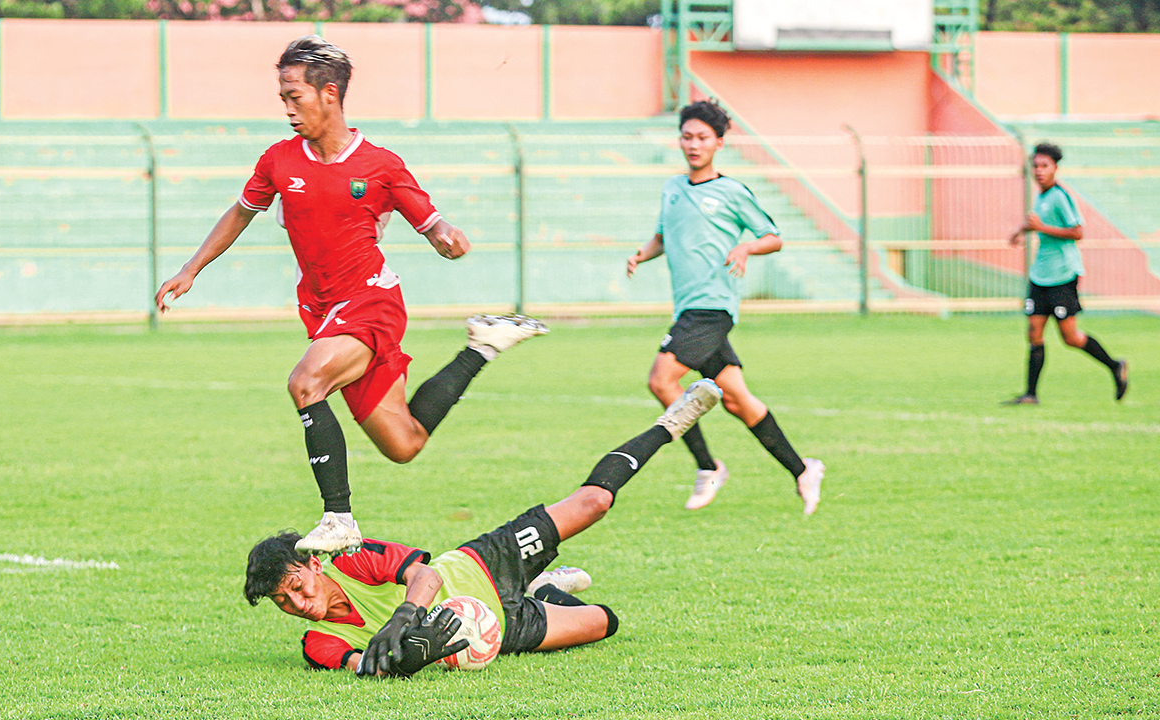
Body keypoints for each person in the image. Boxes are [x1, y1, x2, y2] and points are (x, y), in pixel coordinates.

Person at [154, 35, 547, 555]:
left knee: (305, 382)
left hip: (370, 302)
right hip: (321, 311)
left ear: (330, 94)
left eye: (295, 96)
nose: (287, 108)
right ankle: (482, 346)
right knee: (403, 443)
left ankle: (338, 517)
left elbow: (432, 223)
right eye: (282, 98)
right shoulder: (278, 160)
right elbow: (241, 213)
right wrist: (191, 268)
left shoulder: (381, 165)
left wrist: (446, 238)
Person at [244, 379, 724, 676]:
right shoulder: (317, 643)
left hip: (485, 564)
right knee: (604, 623)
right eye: (282, 602)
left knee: (594, 501)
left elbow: (425, 575)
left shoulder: (349, 556)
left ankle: (671, 422)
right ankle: (546, 591)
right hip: (502, 628)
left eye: (295, 587)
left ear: (312, 561)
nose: (298, 604)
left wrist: (405, 618)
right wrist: (407, 661)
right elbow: (363, 666)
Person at [625, 100, 824, 516]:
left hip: (713, 308)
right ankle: (802, 469)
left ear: (718, 142)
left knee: (662, 381)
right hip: (689, 308)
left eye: (702, 138)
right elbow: (663, 236)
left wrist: (746, 245)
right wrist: (642, 255)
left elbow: (773, 236)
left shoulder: (732, 191)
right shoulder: (672, 189)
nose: (693, 145)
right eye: (687, 137)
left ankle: (707, 466)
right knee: (737, 399)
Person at [1004, 142, 1128, 405]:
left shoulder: (1060, 196)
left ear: (1055, 168)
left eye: (1044, 166)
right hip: (1041, 274)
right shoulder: (1042, 196)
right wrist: (1021, 231)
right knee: (1034, 331)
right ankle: (1030, 394)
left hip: (1062, 274)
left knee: (1070, 337)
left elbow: (1077, 232)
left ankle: (1115, 365)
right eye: (1035, 166)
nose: (1038, 170)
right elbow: (1039, 224)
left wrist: (1041, 227)